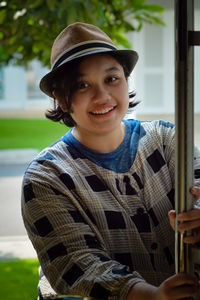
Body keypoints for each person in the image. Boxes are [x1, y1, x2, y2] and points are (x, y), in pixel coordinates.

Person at [21, 22, 200, 300]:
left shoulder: (168, 141)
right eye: (82, 85)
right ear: (61, 99)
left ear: (126, 80)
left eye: (111, 79)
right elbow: (75, 263)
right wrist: (149, 295)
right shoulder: (47, 177)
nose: (102, 96)